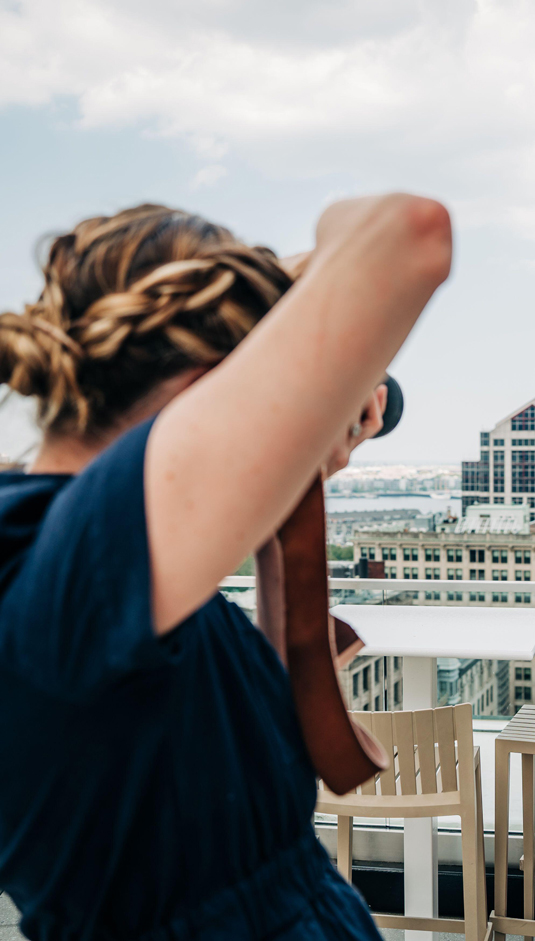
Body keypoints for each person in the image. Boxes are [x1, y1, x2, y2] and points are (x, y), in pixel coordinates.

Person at [0, 197, 451, 940]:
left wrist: (290, 471)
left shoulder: (103, 564)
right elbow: (407, 232)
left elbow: (263, 739)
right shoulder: (69, 566)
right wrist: (273, 328)